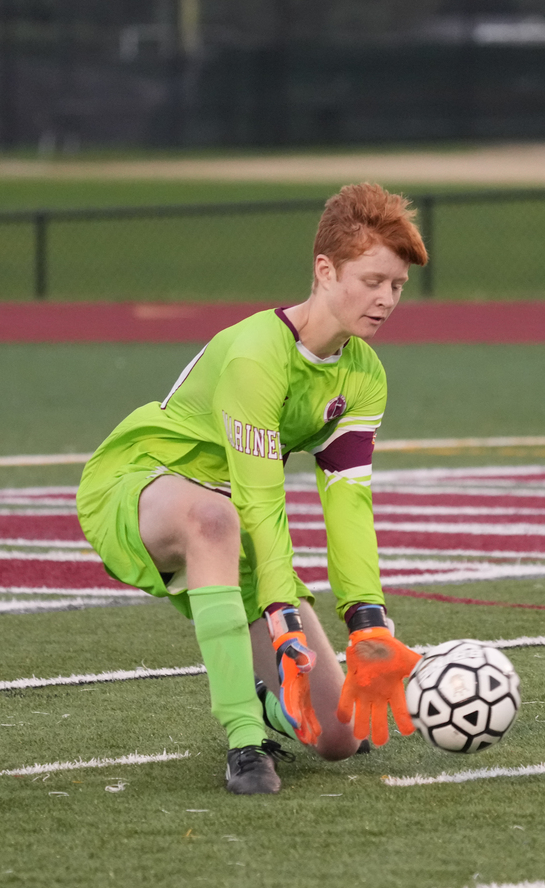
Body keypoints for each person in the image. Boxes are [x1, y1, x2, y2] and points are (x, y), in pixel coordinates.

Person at [77, 182, 428, 794]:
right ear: (325, 271)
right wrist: (280, 614)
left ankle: (267, 699)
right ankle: (245, 740)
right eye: (371, 280)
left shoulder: (364, 377)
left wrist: (368, 623)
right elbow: (261, 498)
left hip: (232, 518)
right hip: (141, 486)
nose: (386, 299)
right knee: (215, 518)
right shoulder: (256, 357)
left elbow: (348, 504)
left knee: (341, 737)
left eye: (396, 286)